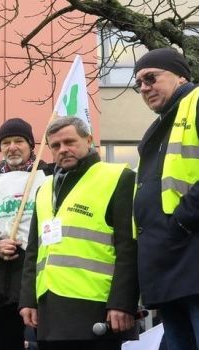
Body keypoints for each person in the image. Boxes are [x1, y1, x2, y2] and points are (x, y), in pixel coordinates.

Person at [19, 117, 139, 350]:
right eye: (55, 146)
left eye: (69, 142)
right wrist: (28, 300)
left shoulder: (118, 178)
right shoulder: (44, 189)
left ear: (89, 140)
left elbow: (129, 247)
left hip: (96, 307)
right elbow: (33, 250)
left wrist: (123, 303)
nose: (63, 150)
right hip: (49, 310)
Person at [133, 47, 199, 350]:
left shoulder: (196, 101)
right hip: (169, 266)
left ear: (181, 75)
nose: (144, 88)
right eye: (139, 84)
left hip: (191, 257)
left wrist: (182, 221)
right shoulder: (160, 125)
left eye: (151, 78)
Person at [0, 118, 51, 350]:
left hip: (43, 280)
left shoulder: (53, 178)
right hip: (0, 284)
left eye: (19, 141)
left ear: (31, 145)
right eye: (6, 142)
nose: (12, 147)